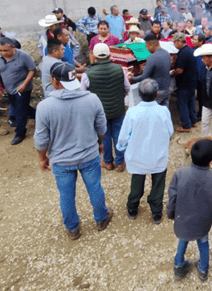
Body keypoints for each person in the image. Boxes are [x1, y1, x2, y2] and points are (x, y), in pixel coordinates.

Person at [34, 62, 112, 240]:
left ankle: (73, 228)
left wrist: (42, 157)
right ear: (74, 77)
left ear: (54, 80)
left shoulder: (44, 107)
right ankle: (101, 218)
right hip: (88, 155)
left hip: (61, 160)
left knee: (66, 195)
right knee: (95, 188)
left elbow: (41, 138)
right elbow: (101, 128)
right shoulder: (92, 99)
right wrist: (100, 144)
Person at [117, 79, 173, 223]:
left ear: (140, 95)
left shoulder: (132, 112)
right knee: (158, 185)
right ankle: (156, 212)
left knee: (136, 184)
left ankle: (132, 208)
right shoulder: (163, 111)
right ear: (156, 94)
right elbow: (170, 131)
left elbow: (123, 136)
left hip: (137, 156)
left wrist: (121, 148)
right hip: (158, 155)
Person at [167, 139, 212, 281]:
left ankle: (179, 266)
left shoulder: (180, 173)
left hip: (183, 218)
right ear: (211, 161)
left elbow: (172, 196)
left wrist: (171, 213)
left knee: (183, 239)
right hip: (203, 220)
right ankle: (203, 269)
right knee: (203, 241)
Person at [81, 43, 130, 172]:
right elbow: (127, 88)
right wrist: (120, 96)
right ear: (109, 55)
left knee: (105, 135)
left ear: (94, 56)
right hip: (118, 108)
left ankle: (107, 162)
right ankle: (120, 161)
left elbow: (83, 94)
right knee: (119, 133)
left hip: (99, 112)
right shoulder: (120, 69)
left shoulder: (87, 74)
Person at [0, 38, 36, 145]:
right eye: (0, 50)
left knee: (19, 111)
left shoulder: (23, 56)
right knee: (19, 106)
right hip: (9, 88)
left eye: (6, 50)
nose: (2, 53)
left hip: (23, 88)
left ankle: (20, 132)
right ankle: (37, 114)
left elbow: (32, 70)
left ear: (13, 47)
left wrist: (24, 84)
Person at [129, 34, 172, 106]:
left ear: (151, 45)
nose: (146, 48)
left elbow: (143, 77)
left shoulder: (152, 57)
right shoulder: (167, 53)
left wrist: (131, 78)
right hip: (167, 88)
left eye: (146, 46)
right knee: (164, 112)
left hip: (157, 91)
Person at [171, 32, 198, 132]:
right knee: (191, 102)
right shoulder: (188, 50)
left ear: (179, 41)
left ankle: (186, 126)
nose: (174, 44)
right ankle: (193, 120)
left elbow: (180, 70)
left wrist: (172, 73)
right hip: (192, 81)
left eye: (174, 42)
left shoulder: (183, 53)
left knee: (182, 104)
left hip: (184, 83)